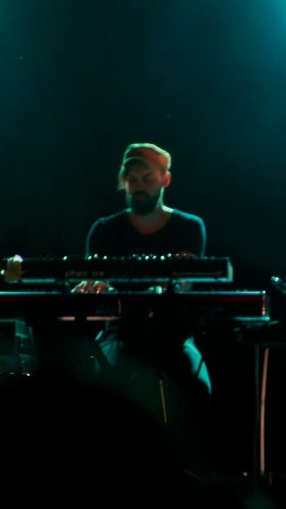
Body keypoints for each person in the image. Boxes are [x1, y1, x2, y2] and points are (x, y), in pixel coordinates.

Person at [77, 142, 213, 466]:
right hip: (118, 333)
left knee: (198, 388)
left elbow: (187, 284)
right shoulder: (104, 230)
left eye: (146, 178)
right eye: (132, 179)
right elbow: (93, 283)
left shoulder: (189, 227)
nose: (138, 186)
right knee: (93, 391)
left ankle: (186, 471)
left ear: (165, 179)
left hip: (174, 336)